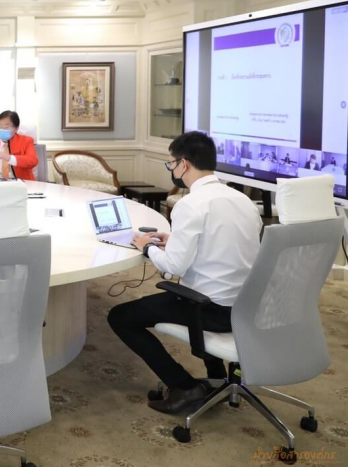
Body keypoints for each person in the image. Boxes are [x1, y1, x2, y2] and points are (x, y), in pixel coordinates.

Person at [107, 131, 261, 415]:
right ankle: (216, 375)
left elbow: (174, 267)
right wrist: (174, 240)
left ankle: (184, 386)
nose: (172, 170)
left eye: (171, 164)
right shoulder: (243, 201)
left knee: (120, 317)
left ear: (184, 164)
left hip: (209, 308)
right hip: (246, 306)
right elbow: (225, 245)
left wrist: (146, 247)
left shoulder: (190, 204)